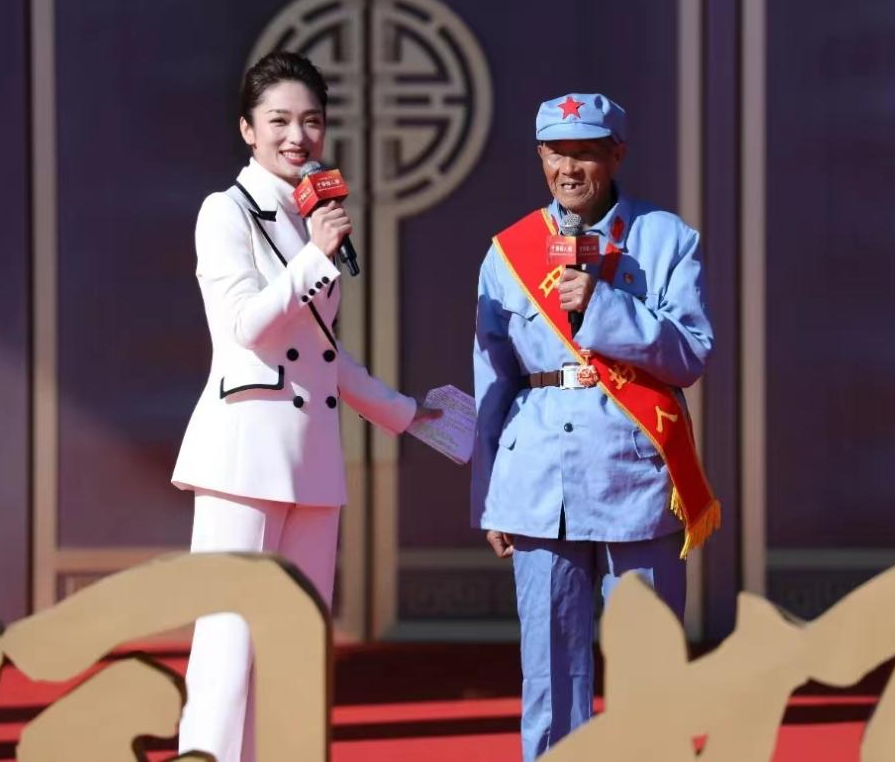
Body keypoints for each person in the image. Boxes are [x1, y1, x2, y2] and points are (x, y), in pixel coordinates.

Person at [170, 51, 436, 762]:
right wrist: (315, 256)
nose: (298, 136)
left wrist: (404, 412)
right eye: (280, 120)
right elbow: (247, 327)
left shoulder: (310, 214)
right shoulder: (224, 212)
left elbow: (323, 352)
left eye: (312, 120)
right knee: (227, 644)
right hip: (243, 455)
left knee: (293, 642)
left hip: (312, 456)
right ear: (247, 129)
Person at [471, 92, 719, 760]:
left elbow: (691, 355)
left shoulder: (667, 240)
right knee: (549, 673)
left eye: (585, 153)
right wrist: (488, 494)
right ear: (540, 158)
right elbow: (492, 379)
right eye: (556, 154)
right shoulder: (508, 253)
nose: (569, 169)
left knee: (648, 666)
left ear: (616, 155)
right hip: (536, 480)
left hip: (634, 477)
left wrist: (604, 304)